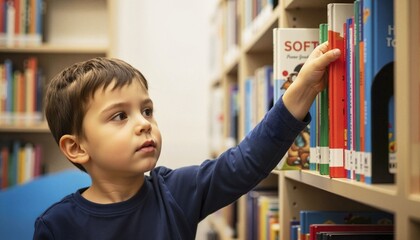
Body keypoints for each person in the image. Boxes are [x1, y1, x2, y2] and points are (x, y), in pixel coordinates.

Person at [33, 42, 340, 239]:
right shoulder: (57, 226)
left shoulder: (177, 192)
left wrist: (302, 90)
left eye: (147, 110)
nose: (144, 124)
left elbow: (247, 161)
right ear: (76, 147)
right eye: (119, 116)